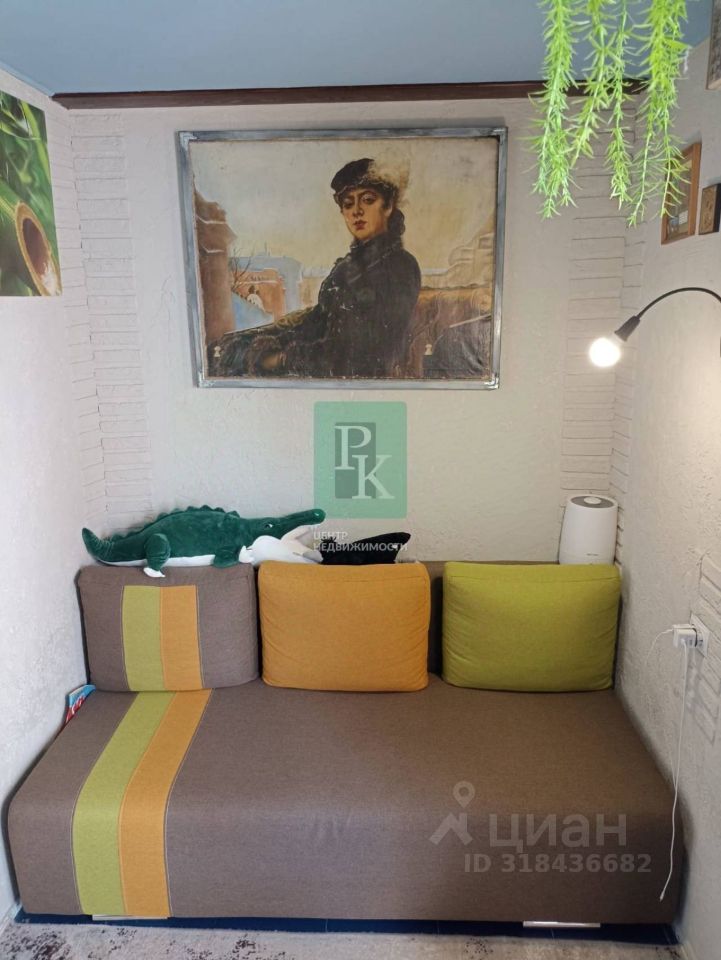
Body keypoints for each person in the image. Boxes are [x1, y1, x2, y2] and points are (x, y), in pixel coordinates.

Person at [211, 158, 421, 379]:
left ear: (387, 206)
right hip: (328, 370)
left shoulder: (399, 267)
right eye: (348, 204)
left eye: (368, 200)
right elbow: (316, 322)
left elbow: (357, 355)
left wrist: (280, 359)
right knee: (229, 350)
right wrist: (254, 340)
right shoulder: (346, 268)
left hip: (364, 383)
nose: (357, 211)